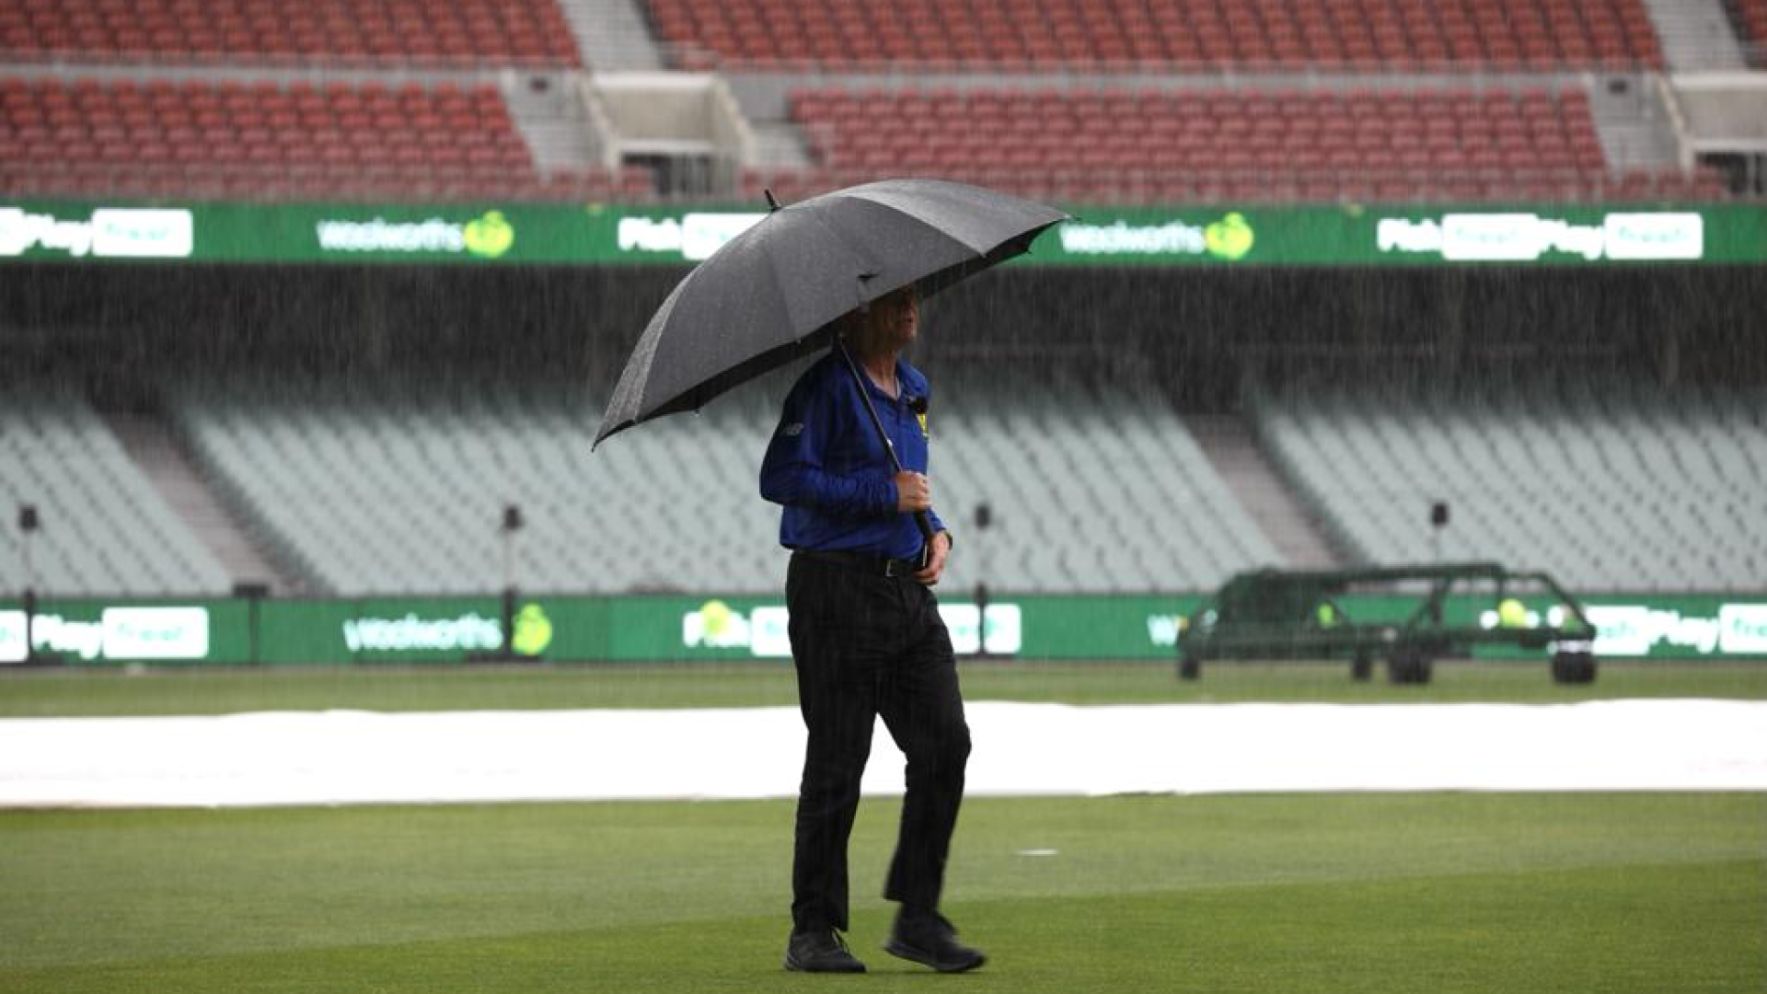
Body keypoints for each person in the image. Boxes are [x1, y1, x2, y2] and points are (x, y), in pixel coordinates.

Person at [759, 284, 985, 974]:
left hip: (904, 595)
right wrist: (879, 496)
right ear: (855, 316)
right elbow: (780, 478)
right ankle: (812, 931)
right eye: (893, 301)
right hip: (834, 591)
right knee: (837, 762)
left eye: (912, 298)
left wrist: (935, 530)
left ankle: (917, 917)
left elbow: (912, 483)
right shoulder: (824, 387)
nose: (909, 309)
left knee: (945, 746)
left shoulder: (911, 386)